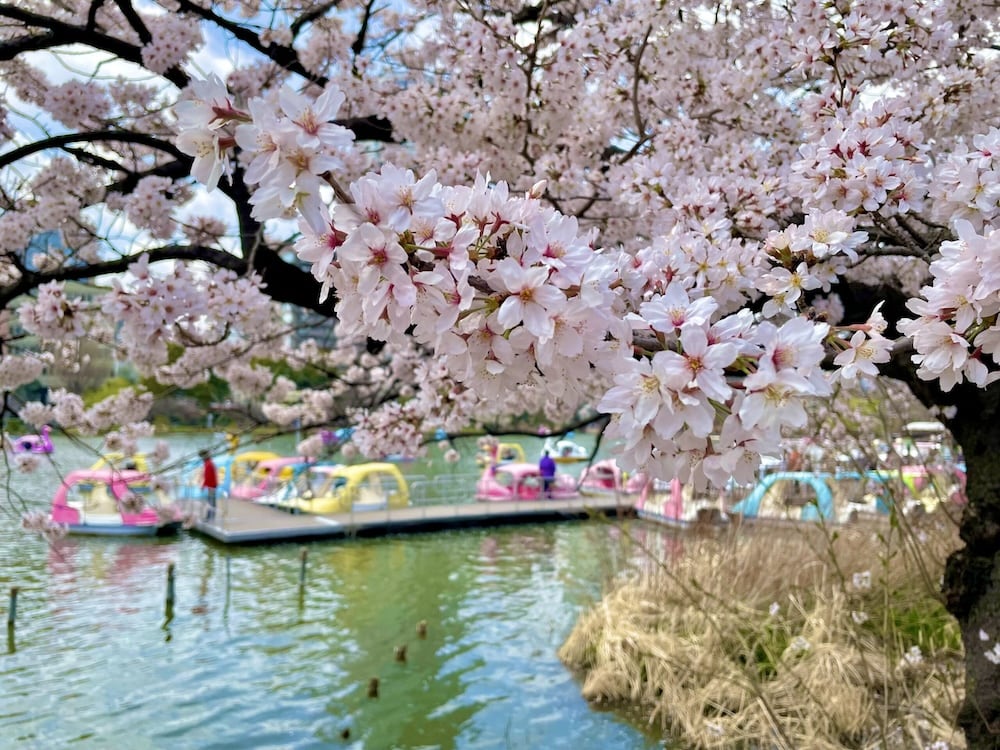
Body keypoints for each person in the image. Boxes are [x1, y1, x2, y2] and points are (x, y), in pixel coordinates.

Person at [200, 449, 218, 520]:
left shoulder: (208, 464)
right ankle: (211, 516)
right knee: (212, 501)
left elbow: (207, 476)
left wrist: (203, 486)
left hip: (211, 486)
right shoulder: (210, 463)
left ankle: (209, 516)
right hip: (212, 485)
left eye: (202, 457)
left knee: (210, 501)